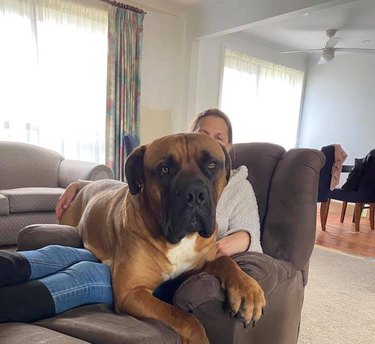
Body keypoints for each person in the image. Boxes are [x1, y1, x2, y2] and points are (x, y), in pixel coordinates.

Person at [0, 108, 262, 323]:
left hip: (175, 267)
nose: (194, 190)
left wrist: (235, 251)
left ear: (227, 154)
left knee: (87, 274)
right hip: (125, 240)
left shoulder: (240, 188)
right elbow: (123, 189)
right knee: (67, 255)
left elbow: (251, 234)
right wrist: (81, 185)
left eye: (211, 162)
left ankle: (13, 302)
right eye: (168, 169)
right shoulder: (138, 201)